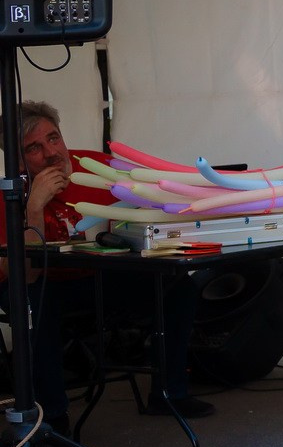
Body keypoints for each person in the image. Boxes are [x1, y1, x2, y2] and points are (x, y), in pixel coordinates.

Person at [5, 103, 207, 423]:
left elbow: (147, 202)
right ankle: (50, 416)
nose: (51, 152)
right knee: (34, 304)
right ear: (16, 161)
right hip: (43, 283)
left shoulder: (95, 165)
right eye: (34, 148)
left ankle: (169, 393)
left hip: (99, 273)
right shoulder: (11, 193)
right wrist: (33, 208)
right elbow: (24, 275)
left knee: (178, 285)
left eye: (54, 138)